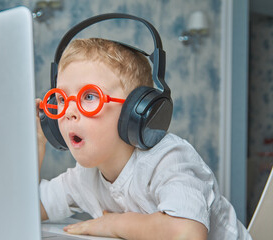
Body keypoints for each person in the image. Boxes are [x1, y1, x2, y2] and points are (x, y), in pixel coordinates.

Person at [35, 38, 252, 240]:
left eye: (90, 96)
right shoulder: (83, 178)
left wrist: (114, 224)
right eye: (61, 99)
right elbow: (28, 208)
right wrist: (35, 144)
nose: (68, 112)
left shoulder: (169, 159)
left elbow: (187, 234)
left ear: (135, 111)